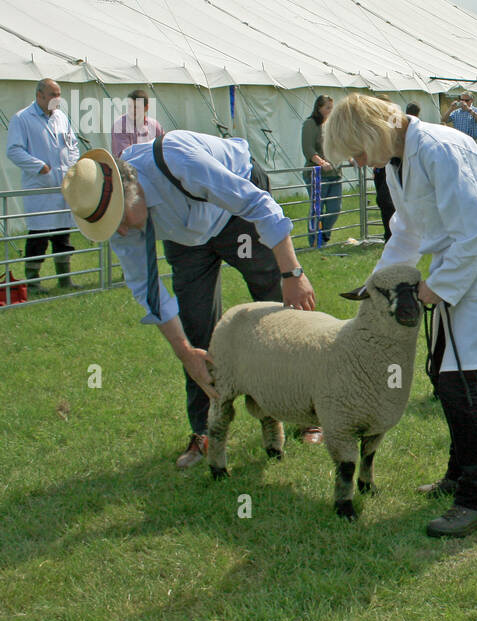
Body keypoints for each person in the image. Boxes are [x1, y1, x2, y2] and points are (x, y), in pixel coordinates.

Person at [325, 94, 477, 538]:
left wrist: (434, 288)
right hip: (458, 266)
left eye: (359, 153)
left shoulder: (442, 150)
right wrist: (376, 284)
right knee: (448, 375)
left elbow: (476, 231)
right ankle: (459, 476)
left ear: (373, 134)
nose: (362, 164)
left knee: (456, 382)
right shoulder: (399, 161)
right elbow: (407, 229)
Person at [60, 131, 318, 469]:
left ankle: (307, 412)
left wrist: (291, 273)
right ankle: (205, 431)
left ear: (131, 189)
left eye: (120, 220)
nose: (121, 233)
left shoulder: (179, 162)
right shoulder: (119, 223)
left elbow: (257, 204)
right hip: (187, 240)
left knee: (281, 315)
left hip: (236, 214)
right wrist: (184, 352)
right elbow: (147, 288)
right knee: (196, 331)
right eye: (111, 227)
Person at [6, 78, 80, 294]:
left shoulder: (61, 117)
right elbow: (14, 150)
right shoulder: (22, 119)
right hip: (40, 185)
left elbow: (72, 144)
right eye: (52, 95)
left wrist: (72, 166)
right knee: (39, 234)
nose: (57, 99)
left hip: (63, 184)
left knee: (62, 233)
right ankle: (33, 281)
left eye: (59, 95)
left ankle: (65, 278)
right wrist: (38, 166)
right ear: (39, 95)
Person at [301, 95, 342, 246]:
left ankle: (324, 235)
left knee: (335, 208)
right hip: (317, 175)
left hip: (334, 174)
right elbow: (308, 148)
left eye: (332, 108)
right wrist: (321, 162)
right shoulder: (310, 124)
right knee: (317, 208)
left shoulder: (331, 125)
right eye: (327, 108)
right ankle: (315, 241)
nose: (330, 111)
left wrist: (349, 157)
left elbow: (339, 145)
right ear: (319, 108)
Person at [372, 105, 414, 242]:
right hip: (384, 167)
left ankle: (391, 235)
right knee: (384, 201)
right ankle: (389, 235)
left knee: (386, 200)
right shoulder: (392, 164)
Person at [110, 90, 165, 158]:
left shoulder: (155, 126)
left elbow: (164, 149)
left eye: (136, 107)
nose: (132, 110)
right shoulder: (120, 125)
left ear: (146, 107)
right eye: (130, 106)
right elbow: (123, 156)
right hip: (127, 167)